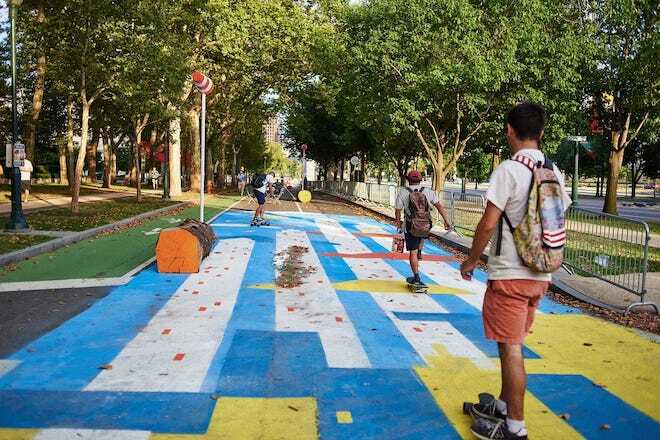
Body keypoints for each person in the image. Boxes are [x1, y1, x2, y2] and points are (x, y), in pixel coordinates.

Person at [460, 103, 571, 440]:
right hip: (541, 275)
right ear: (540, 132)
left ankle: (515, 427)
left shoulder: (508, 170)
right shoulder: (554, 171)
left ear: (510, 129)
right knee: (512, 343)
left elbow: (488, 224)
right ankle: (506, 406)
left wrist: (471, 260)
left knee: (510, 348)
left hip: (509, 275)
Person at [394, 170, 452, 287]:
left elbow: (398, 210)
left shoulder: (403, 192)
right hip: (426, 225)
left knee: (412, 252)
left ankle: (416, 277)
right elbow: (439, 206)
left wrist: (399, 224)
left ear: (408, 180)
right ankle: (420, 250)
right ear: (421, 179)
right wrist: (447, 220)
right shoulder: (427, 191)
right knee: (421, 235)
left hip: (411, 226)